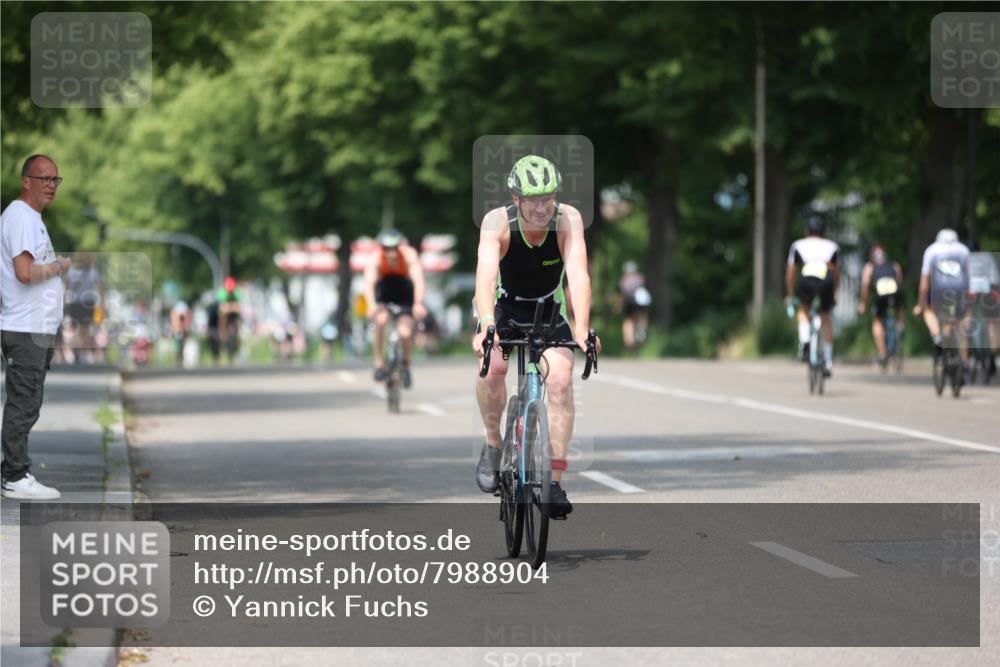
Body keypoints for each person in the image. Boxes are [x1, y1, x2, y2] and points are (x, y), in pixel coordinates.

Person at [473, 155, 599, 518]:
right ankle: (493, 443)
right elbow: (484, 279)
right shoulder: (497, 223)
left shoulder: (568, 219)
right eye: (534, 200)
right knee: (493, 366)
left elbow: (578, 277)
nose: (543, 207)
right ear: (517, 200)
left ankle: (555, 481)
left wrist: (581, 328)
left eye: (549, 198)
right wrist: (485, 325)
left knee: (560, 381)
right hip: (503, 306)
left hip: (548, 308)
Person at [1, 154, 71, 500]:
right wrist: (57, 266)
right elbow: (25, 273)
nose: (50, 186)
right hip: (25, 327)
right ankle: (15, 475)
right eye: (44, 178)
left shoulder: (30, 218)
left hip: (34, 327)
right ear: (25, 181)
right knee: (23, 402)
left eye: (55, 180)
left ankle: (14, 471)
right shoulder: (21, 217)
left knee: (29, 402)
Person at [363, 229, 427, 388]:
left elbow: (418, 280)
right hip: (384, 293)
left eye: (394, 249)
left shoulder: (409, 255)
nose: (391, 253)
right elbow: (369, 283)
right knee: (381, 320)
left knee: (405, 332)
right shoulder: (375, 258)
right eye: (386, 249)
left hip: (404, 293)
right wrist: (371, 305)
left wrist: (418, 303)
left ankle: (406, 365)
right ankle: (378, 362)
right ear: (381, 248)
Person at [784, 217, 840, 377]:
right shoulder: (832, 246)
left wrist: (790, 294)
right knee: (826, 318)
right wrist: (834, 292)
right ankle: (828, 362)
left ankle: (805, 343)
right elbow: (836, 272)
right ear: (823, 232)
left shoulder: (798, 245)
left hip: (807, 280)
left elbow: (791, 272)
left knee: (803, 310)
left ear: (806, 231)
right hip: (826, 281)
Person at [914, 228, 972, 368]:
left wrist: (920, 304)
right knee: (961, 324)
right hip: (959, 290)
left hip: (939, 291)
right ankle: (964, 364)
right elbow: (970, 276)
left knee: (928, 310)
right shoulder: (963, 250)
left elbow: (924, 283)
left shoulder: (932, 250)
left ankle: (937, 335)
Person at [857, 245, 904, 368]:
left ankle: (883, 353)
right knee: (899, 308)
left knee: (877, 320)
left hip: (881, 296)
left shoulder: (870, 267)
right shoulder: (894, 265)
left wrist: (863, 303)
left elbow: (865, 285)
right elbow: (899, 280)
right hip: (895, 293)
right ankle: (899, 328)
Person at [618, 260, 650, 351]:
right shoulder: (640, 278)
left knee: (629, 319)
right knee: (643, 315)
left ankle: (629, 338)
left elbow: (622, 294)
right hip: (642, 301)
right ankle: (642, 329)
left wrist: (619, 306)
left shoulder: (624, 280)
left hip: (630, 301)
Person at [216, 276, 242, 364]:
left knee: (238, 321)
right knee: (223, 317)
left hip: (233, 314)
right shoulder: (221, 292)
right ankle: (222, 333)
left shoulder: (237, 292)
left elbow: (238, 307)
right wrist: (231, 307)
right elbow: (222, 308)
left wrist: (231, 307)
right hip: (225, 314)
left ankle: (237, 336)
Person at [169, 299, 192, 367]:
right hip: (178, 332)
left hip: (180, 332)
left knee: (181, 347)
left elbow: (185, 323)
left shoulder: (180, 312)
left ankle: (180, 360)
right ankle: (178, 360)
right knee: (178, 347)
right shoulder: (177, 314)